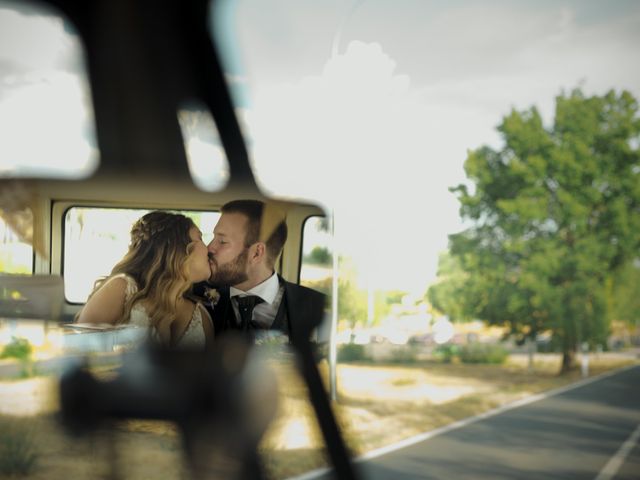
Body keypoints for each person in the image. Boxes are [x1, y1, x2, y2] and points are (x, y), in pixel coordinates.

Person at [75, 211, 214, 350]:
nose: (209, 249)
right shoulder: (121, 289)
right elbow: (78, 352)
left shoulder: (200, 315)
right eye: (200, 238)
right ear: (178, 248)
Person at [205, 199, 326, 345]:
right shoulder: (194, 298)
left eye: (222, 241)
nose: (209, 248)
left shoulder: (319, 309)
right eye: (213, 238)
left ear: (256, 253)